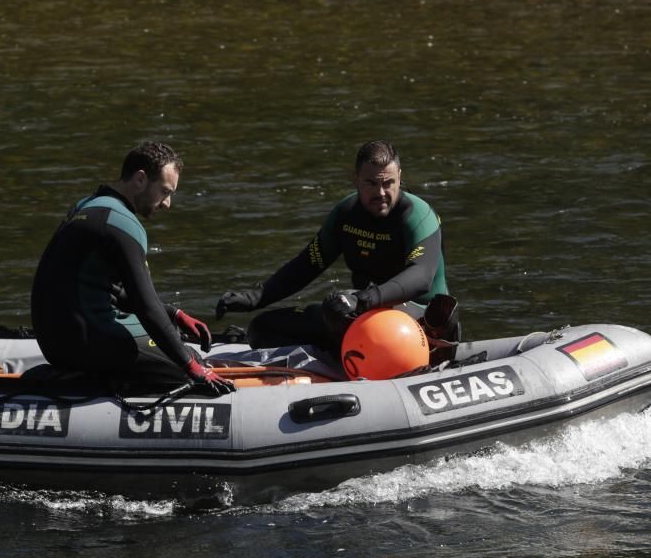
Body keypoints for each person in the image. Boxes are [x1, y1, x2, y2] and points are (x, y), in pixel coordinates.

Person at [30, 141, 235, 395]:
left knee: (171, 346)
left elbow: (102, 289)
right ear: (140, 179)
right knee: (187, 357)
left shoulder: (87, 206)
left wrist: (174, 314)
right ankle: (98, 387)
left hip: (54, 343)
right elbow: (146, 307)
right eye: (165, 191)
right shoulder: (124, 225)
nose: (167, 203)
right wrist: (192, 366)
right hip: (87, 342)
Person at [216, 139, 458, 352]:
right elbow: (309, 264)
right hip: (365, 315)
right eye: (371, 183)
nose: (381, 193)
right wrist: (254, 297)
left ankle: (349, 357)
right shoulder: (346, 214)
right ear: (355, 179)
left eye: (388, 183)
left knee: (339, 306)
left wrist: (362, 300)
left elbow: (421, 276)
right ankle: (333, 363)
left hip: (421, 324)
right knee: (263, 327)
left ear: (400, 178)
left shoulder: (418, 216)